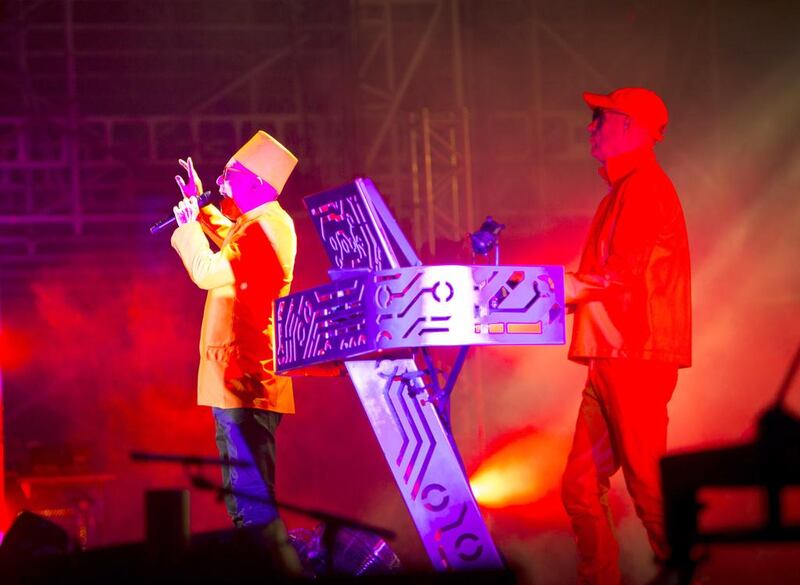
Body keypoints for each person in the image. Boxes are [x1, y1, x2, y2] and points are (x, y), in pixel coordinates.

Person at [560, 88, 691, 585]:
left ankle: (690, 576)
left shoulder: (643, 189)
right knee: (578, 486)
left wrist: (543, 291)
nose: (590, 127)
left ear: (630, 126)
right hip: (611, 355)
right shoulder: (625, 189)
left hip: (633, 355)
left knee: (648, 487)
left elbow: (617, 277)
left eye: (600, 117)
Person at [171, 131, 298, 529]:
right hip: (237, 377)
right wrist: (198, 210)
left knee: (250, 496)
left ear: (259, 184)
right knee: (244, 490)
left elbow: (208, 272)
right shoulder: (259, 224)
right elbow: (232, 240)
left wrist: (189, 227)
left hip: (245, 378)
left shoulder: (266, 228)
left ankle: (269, 565)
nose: (221, 183)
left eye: (231, 174)